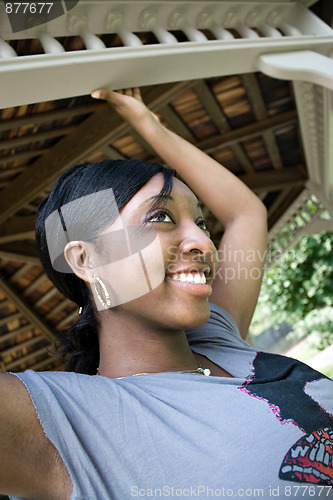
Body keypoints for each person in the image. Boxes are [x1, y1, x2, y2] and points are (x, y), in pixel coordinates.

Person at [0, 88, 332, 500]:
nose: (203, 243)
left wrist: (148, 125)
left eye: (201, 222)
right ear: (86, 261)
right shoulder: (70, 426)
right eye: (160, 217)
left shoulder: (218, 336)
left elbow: (246, 212)